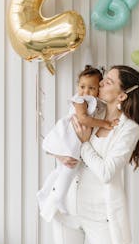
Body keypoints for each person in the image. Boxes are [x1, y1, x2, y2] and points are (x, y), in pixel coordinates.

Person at [50, 65, 139, 244]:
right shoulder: (91, 112)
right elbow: (59, 137)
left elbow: (106, 172)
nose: (100, 83)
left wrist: (85, 144)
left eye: (108, 82)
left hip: (101, 215)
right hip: (67, 209)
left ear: (122, 96)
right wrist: (59, 154)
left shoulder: (129, 129)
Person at [37, 65, 118, 222]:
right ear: (77, 86)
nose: (86, 91)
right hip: (71, 135)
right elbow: (82, 119)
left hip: (77, 137)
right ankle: (58, 197)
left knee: (62, 170)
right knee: (69, 168)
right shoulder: (80, 100)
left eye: (91, 88)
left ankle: (45, 192)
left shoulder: (96, 103)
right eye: (82, 87)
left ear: (98, 89)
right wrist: (105, 123)